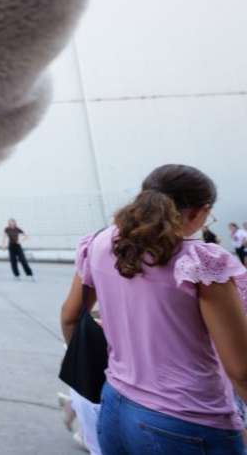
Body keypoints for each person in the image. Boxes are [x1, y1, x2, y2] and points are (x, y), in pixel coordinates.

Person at [61, 164, 247, 454]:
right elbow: (241, 369)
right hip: (189, 420)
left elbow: (70, 317)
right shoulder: (202, 263)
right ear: (200, 212)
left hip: (116, 406)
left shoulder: (99, 244)